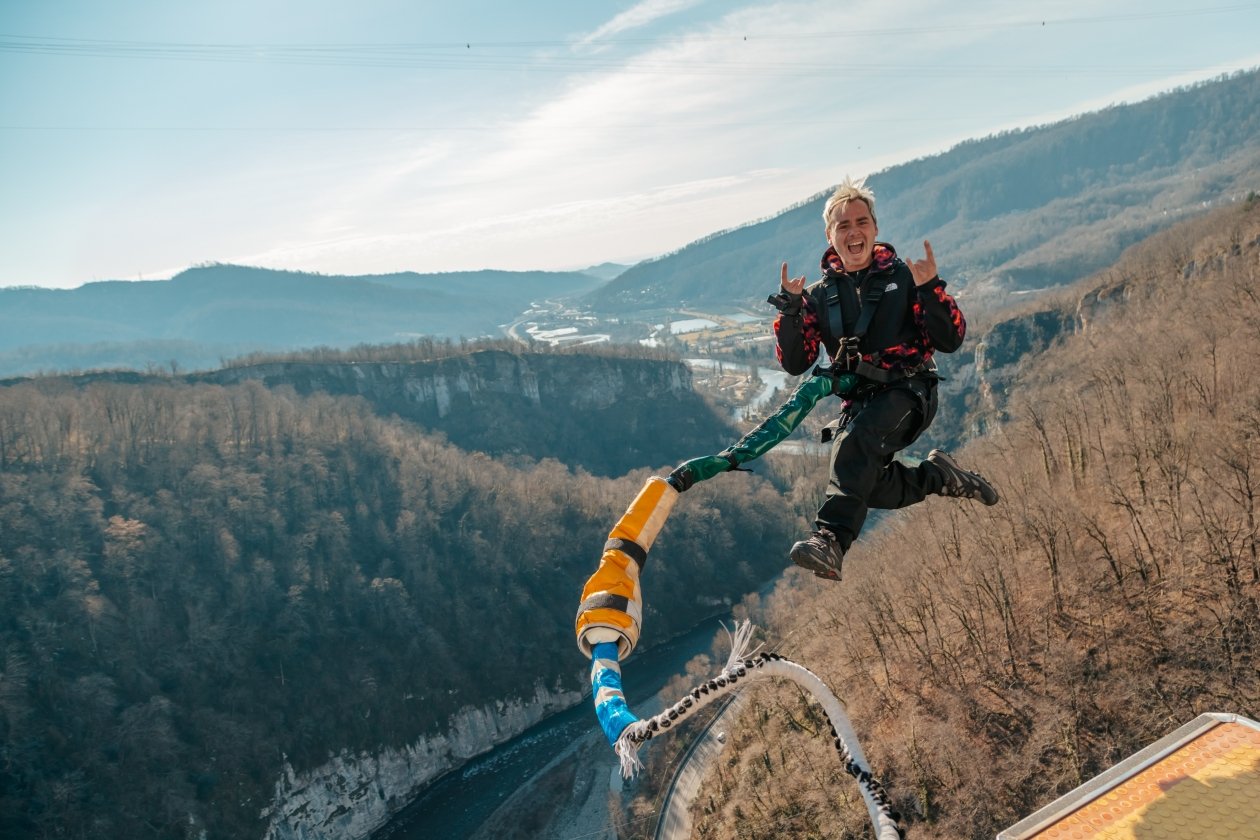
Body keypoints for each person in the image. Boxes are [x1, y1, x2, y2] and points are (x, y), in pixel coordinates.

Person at [768, 176, 998, 581]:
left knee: (855, 448)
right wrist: (790, 314)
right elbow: (795, 361)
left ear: (875, 229)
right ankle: (939, 477)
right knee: (862, 482)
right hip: (860, 404)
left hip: (909, 391)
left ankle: (831, 540)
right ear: (830, 235)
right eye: (843, 225)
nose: (853, 232)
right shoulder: (819, 297)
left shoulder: (907, 280)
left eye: (861, 222)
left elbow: (951, 338)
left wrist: (931, 290)